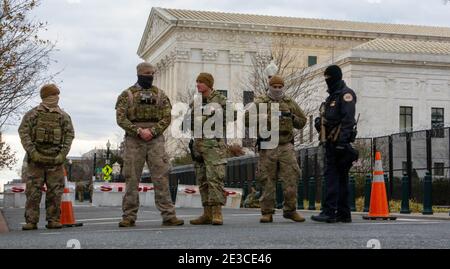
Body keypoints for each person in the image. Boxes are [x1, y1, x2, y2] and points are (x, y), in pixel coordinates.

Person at [115, 62, 184, 227]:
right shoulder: (127, 95)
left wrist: (152, 131)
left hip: (155, 140)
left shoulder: (160, 94)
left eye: (152, 73)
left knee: (161, 178)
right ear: (139, 74)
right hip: (134, 140)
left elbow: (167, 117)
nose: (150, 76)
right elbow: (120, 118)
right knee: (132, 179)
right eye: (147, 74)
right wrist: (138, 131)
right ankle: (129, 216)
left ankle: (168, 215)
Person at [247, 75, 307, 223]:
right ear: (270, 86)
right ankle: (267, 212)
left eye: (280, 87)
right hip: (268, 145)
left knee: (291, 178)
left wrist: (292, 118)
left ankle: (290, 210)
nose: (278, 89)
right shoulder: (261, 102)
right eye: (275, 87)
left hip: (286, 144)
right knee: (267, 180)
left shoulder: (289, 102)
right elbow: (247, 119)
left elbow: (302, 121)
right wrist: (265, 117)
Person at [19, 84, 75, 230]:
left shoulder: (63, 116)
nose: (56, 98)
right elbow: (24, 133)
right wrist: (32, 152)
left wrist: (62, 154)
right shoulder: (33, 114)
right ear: (45, 97)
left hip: (55, 161)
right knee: (33, 192)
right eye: (53, 95)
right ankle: (31, 221)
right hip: (36, 161)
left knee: (55, 192)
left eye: (57, 95)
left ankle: (53, 220)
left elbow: (69, 135)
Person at [311, 65, 359, 223]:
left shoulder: (346, 95)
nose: (327, 81)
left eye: (328, 78)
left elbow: (348, 120)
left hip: (339, 144)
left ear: (336, 77)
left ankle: (329, 211)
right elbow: (330, 118)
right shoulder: (331, 96)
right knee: (340, 179)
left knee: (333, 178)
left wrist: (342, 142)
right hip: (330, 142)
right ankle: (343, 213)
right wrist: (320, 122)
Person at [189, 73, 228, 225]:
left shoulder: (219, 99)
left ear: (209, 84)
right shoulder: (196, 101)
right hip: (199, 145)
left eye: (201, 82)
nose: (198, 84)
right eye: (197, 81)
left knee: (215, 179)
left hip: (214, 146)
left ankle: (217, 213)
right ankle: (207, 213)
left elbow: (233, 114)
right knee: (202, 179)